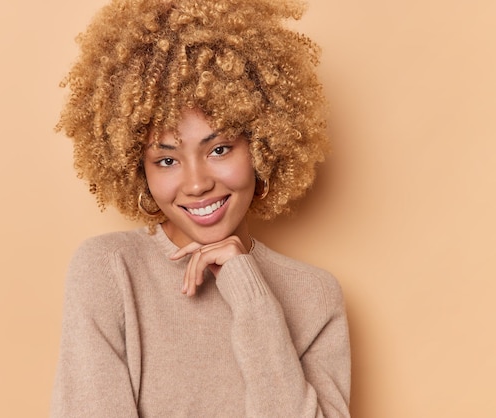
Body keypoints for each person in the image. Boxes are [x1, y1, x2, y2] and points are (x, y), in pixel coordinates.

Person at [51, 0, 351, 416]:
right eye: (167, 160)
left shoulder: (315, 297)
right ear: (138, 169)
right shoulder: (108, 271)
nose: (196, 184)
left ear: (264, 147)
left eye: (220, 148)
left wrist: (249, 294)